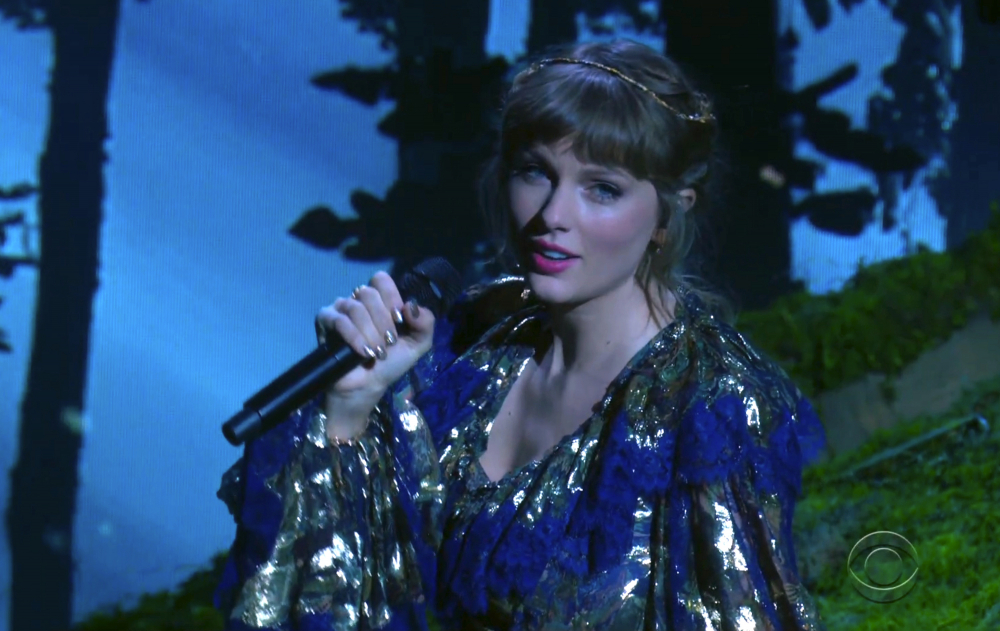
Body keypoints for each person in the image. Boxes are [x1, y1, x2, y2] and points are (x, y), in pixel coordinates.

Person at [214, 38, 828, 630]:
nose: (552, 216)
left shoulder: (714, 407)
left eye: (602, 189)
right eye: (535, 172)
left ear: (668, 214)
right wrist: (349, 411)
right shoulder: (472, 344)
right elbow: (352, 594)